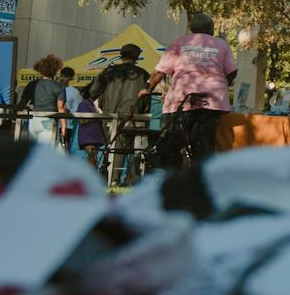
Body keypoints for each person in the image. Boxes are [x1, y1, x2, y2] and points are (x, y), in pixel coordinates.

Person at [153, 11, 237, 170]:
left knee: (172, 142)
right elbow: (232, 71)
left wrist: (146, 89)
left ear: (192, 28)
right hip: (212, 102)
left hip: (180, 100)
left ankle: (173, 177)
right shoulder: (221, 44)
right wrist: (225, 83)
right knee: (204, 144)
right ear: (210, 28)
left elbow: (161, 71)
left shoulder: (179, 42)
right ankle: (201, 180)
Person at [88, 43, 154, 181]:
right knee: (132, 148)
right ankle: (131, 180)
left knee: (114, 146)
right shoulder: (143, 74)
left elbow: (92, 91)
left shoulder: (109, 72)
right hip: (134, 115)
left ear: (121, 55)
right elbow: (147, 98)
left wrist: (102, 100)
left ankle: (113, 180)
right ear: (137, 57)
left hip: (110, 115)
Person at [18, 55, 70, 146]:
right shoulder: (59, 87)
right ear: (55, 70)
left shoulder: (32, 84)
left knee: (32, 152)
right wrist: (64, 126)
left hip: (33, 120)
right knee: (45, 153)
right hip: (49, 121)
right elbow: (61, 108)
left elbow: (22, 103)